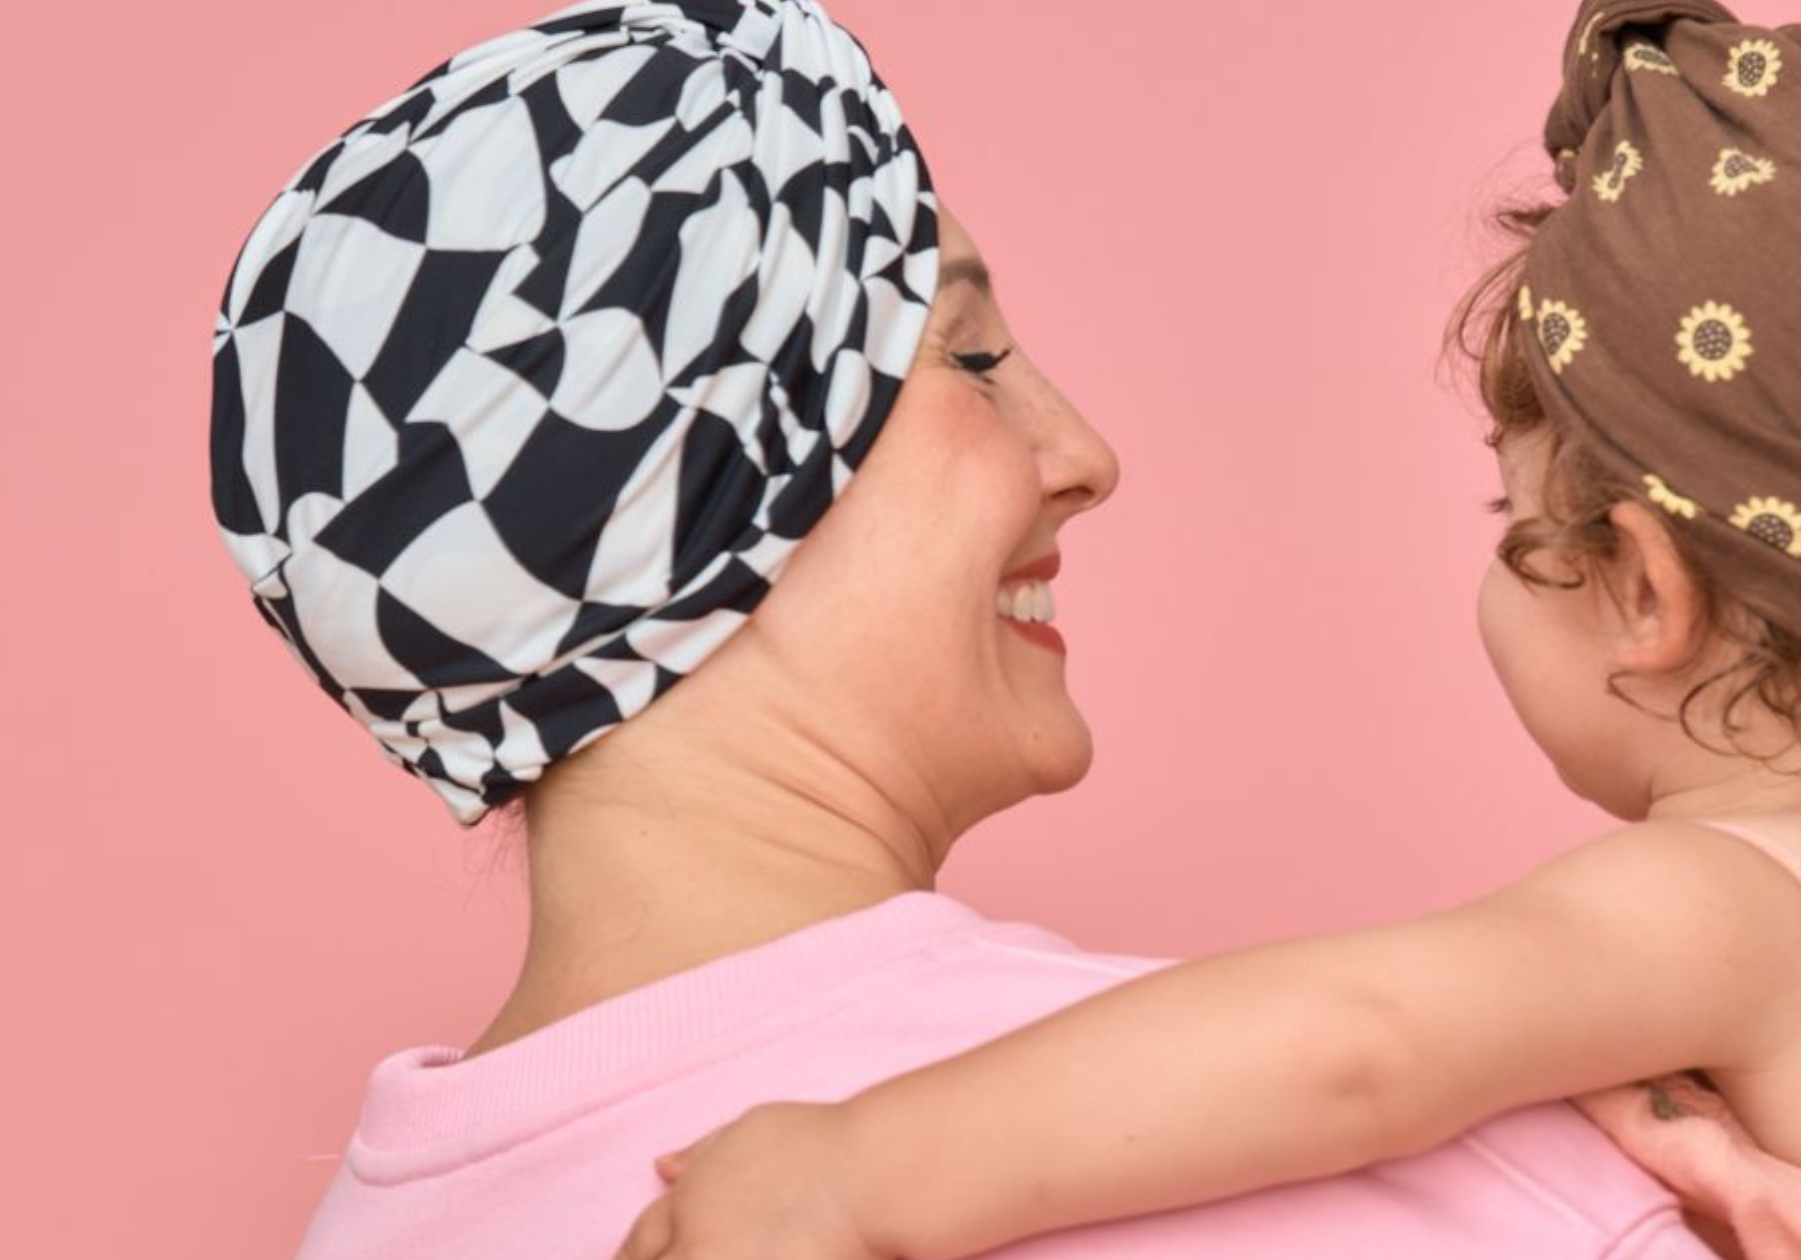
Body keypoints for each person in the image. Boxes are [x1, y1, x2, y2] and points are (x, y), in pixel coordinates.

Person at [618, 2, 1801, 1259]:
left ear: (1644, 591)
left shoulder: (1742, 899)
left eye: (1508, 525)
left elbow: (1359, 1046)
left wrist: (861, 1168)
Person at [207, 1, 1717, 1257]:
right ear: (702, 491)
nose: (1086, 452)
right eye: (971, 356)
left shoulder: (383, 1222)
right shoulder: (1361, 1173)